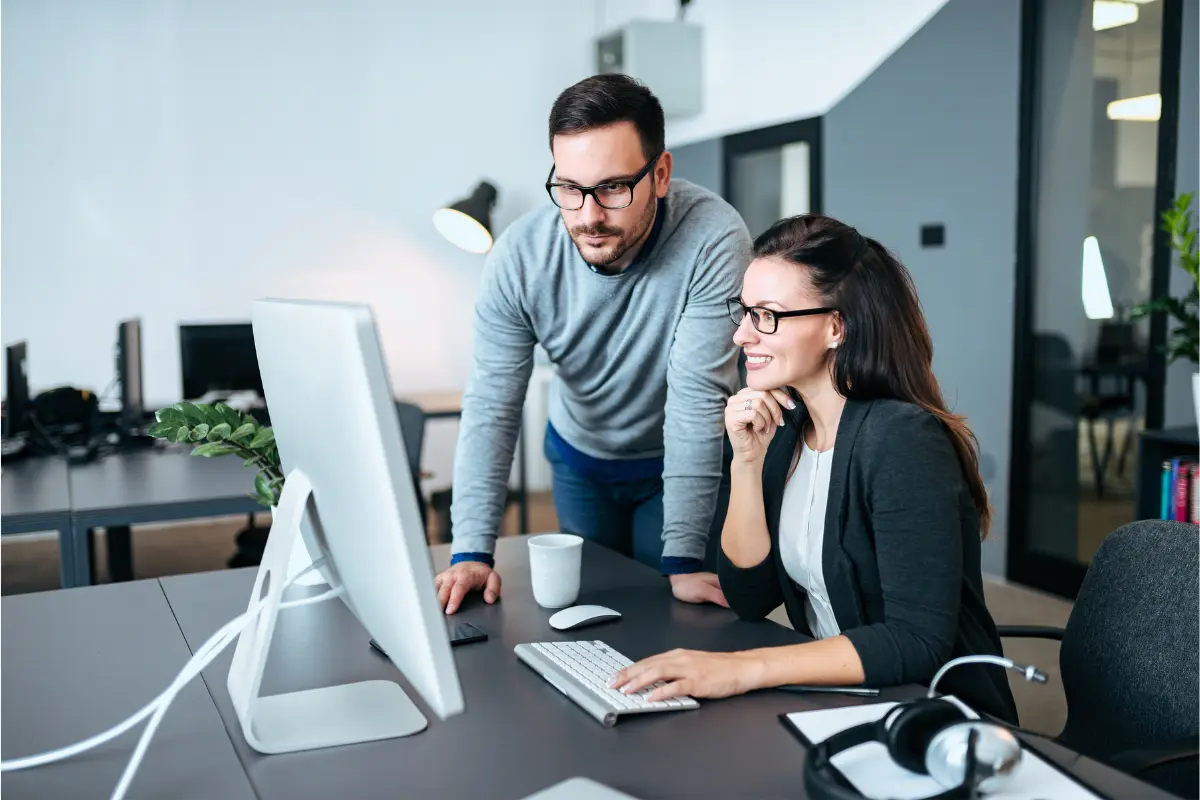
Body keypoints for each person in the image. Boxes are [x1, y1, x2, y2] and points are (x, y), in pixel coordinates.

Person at [609, 213, 1020, 724]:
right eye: (744, 311)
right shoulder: (786, 428)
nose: (741, 335)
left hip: (933, 721)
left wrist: (744, 669)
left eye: (768, 315)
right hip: (844, 700)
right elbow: (749, 595)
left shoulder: (901, 440)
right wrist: (746, 461)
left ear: (835, 327)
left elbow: (917, 641)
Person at [435, 74, 752, 615]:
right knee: (589, 615)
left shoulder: (713, 238)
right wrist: (471, 549)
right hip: (580, 459)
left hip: (675, 461)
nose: (587, 216)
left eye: (612, 188)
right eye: (569, 188)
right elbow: (492, 404)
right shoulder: (519, 257)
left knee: (675, 613)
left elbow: (698, 401)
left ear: (661, 174)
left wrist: (682, 558)